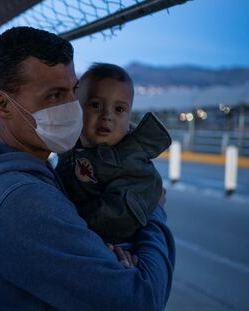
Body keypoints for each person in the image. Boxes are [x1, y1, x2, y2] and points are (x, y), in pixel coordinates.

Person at [0, 26, 175, 311]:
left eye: (73, 91)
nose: (72, 107)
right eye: (54, 95)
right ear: (2, 104)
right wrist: (152, 215)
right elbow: (142, 301)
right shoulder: (23, 201)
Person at [55, 63, 171, 244]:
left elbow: (116, 220)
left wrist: (64, 218)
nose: (107, 115)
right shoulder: (69, 148)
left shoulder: (133, 165)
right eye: (96, 105)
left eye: (119, 109)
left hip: (117, 248)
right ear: (76, 108)